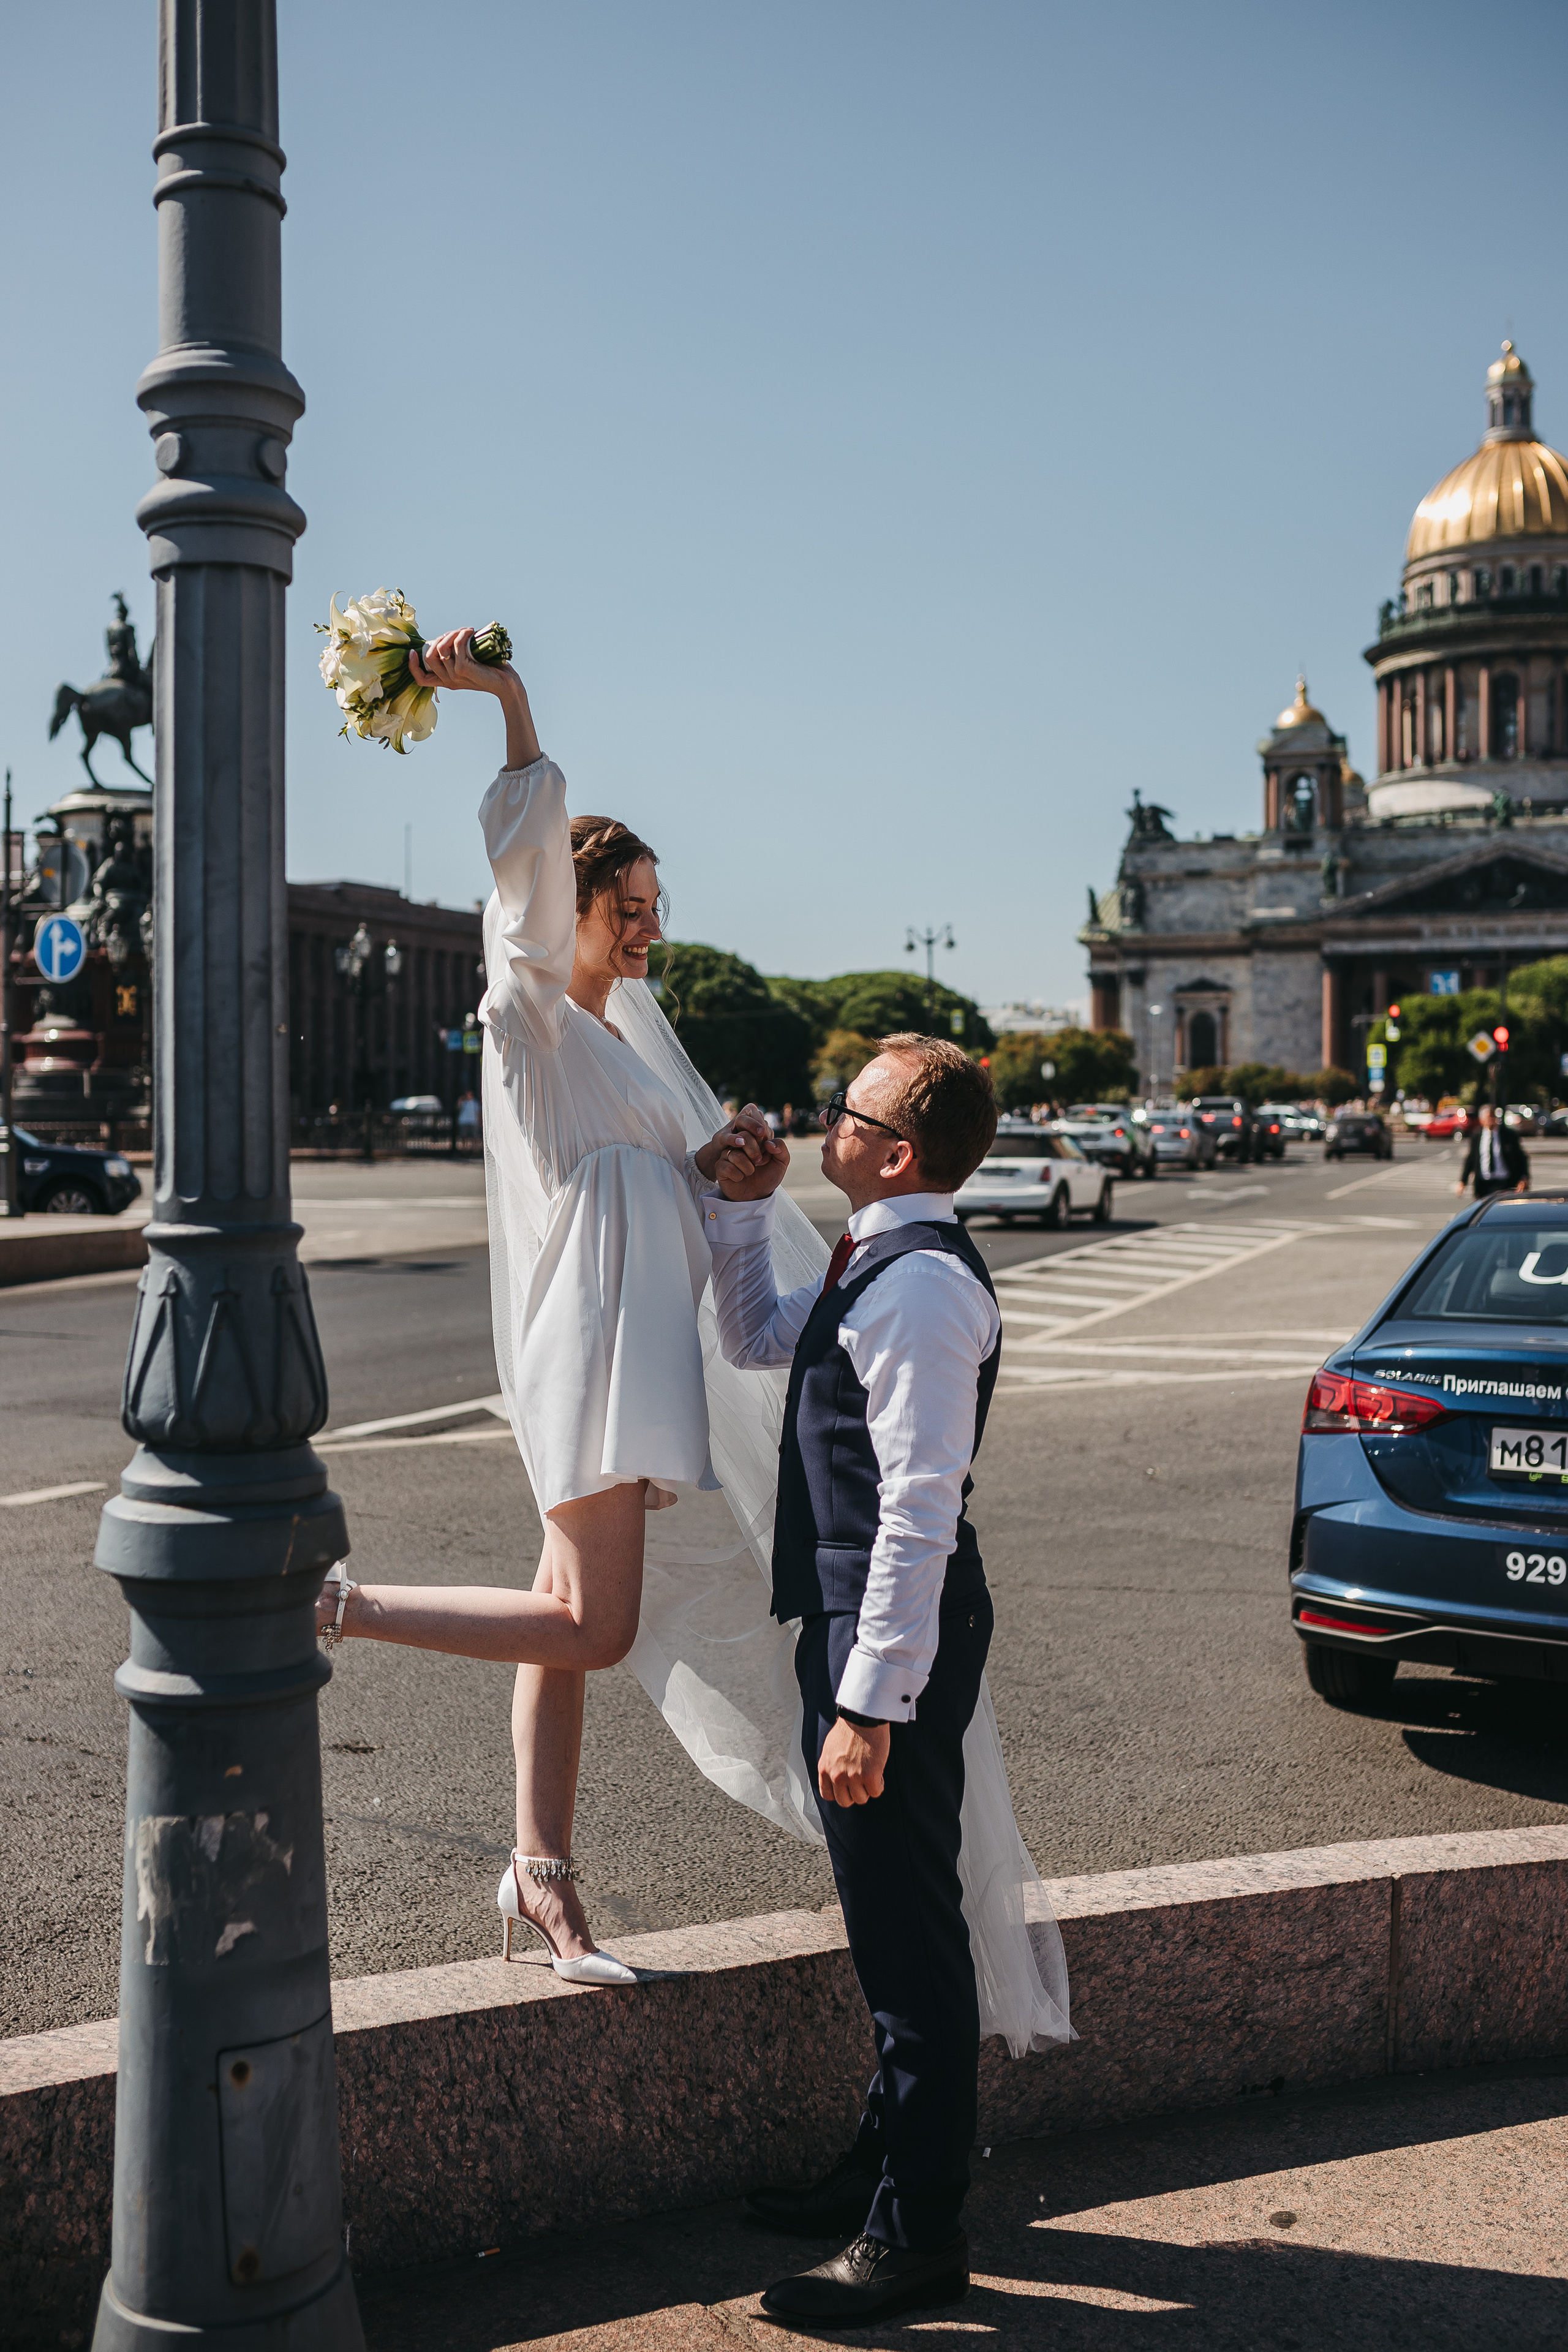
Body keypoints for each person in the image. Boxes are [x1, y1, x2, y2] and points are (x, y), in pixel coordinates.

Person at [313, 629, 809, 1981]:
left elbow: (661, 1192)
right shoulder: (527, 1012)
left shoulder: (626, 1049)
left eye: (655, 902)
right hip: (592, 1348)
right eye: (626, 906)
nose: (651, 925)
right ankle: (324, 1607)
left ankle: (540, 1873)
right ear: (568, 911)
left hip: (626, 1337)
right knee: (595, 1626)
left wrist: (729, 1175)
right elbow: (524, 865)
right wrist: (511, 702)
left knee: (563, 1618)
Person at [701, 1038, 1066, 2328]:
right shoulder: (869, 1258)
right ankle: (879, 2172)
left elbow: (916, 1512)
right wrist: (744, 1213)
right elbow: (756, 1339)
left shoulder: (916, 1290)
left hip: (885, 1631)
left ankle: (917, 2236)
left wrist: (869, 1704)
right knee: (889, 1916)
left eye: (841, 1110)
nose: (820, 1120)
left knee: (909, 1940)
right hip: (858, 1622)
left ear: (895, 1151)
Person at [1456, 1102, 1530, 1199]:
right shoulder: (1477, 1136)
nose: (1492, 1120)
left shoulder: (1508, 1135)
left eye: (1493, 1117)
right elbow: (1471, 1159)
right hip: (1484, 1184)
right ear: (1482, 1120)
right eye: (1488, 1117)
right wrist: (1463, 1182)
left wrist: (1524, 1177)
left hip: (1505, 1182)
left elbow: (1522, 1157)